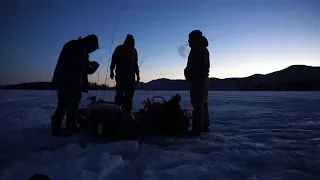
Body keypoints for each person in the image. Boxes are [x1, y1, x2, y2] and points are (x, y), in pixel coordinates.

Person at [51, 34, 100, 137]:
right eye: (94, 48)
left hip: (62, 81)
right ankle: (70, 128)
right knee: (72, 105)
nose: (93, 50)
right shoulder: (81, 48)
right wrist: (94, 67)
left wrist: (89, 63)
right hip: (71, 83)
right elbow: (83, 68)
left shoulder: (73, 45)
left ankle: (56, 128)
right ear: (90, 43)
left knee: (62, 103)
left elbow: (77, 62)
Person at [184, 30, 210, 136]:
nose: (188, 41)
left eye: (190, 38)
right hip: (200, 79)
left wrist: (192, 75)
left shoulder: (198, 49)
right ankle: (204, 126)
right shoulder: (201, 48)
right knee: (202, 103)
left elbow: (198, 66)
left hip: (198, 80)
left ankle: (197, 129)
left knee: (197, 103)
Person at [110, 34, 140, 116]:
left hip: (130, 78)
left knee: (129, 96)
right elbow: (113, 60)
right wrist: (111, 71)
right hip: (121, 77)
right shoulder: (119, 49)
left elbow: (136, 64)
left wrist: (137, 75)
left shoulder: (134, 51)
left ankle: (127, 112)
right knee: (120, 95)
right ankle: (118, 112)